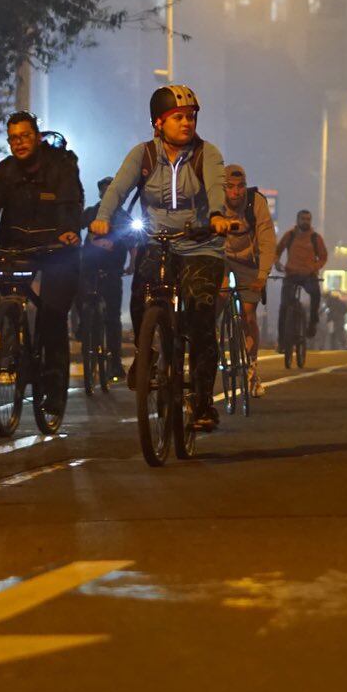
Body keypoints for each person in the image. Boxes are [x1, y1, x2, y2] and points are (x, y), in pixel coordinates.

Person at [90, 84, 238, 431]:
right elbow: (118, 189)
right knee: (141, 294)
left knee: (201, 317)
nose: (187, 123)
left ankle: (202, 404)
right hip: (158, 239)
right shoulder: (142, 155)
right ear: (159, 123)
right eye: (178, 117)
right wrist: (103, 216)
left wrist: (216, 215)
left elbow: (216, 186)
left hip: (201, 243)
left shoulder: (207, 154)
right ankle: (147, 353)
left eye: (191, 117)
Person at [0, 112, 83, 427]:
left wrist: (68, 231)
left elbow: (71, 204)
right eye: (13, 138)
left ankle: (53, 387)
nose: (19, 143)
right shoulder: (5, 171)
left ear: (37, 137)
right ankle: (14, 338)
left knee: (52, 315)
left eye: (25, 136)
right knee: (9, 296)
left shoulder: (61, 167)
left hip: (56, 249)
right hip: (16, 247)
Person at [219, 165, 276, 396]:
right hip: (220, 257)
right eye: (230, 187)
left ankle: (252, 369)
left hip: (248, 262)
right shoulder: (214, 200)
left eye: (240, 186)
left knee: (248, 313)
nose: (236, 192)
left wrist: (262, 275)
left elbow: (267, 240)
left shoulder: (256, 203)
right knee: (216, 299)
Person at [80, 176, 138, 382]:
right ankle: (82, 330)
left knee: (113, 317)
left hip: (113, 271)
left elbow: (133, 244)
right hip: (89, 268)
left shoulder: (123, 218)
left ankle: (114, 363)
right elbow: (74, 227)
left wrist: (132, 264)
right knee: (81, 302)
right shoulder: (91, 212)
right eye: (104, 190)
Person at [273, 209, 329, 338]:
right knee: (284, 307)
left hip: (309, 276)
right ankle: (282, 340)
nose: (305, 221)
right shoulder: (290, 235)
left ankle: (312, 323)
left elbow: (323, 256)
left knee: (316, 294)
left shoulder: (316, 238)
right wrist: (277, 263)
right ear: (297, 220)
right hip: (291, 274)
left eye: (308, 219)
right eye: (303, 219)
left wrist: (314, 267)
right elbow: (277, 251)